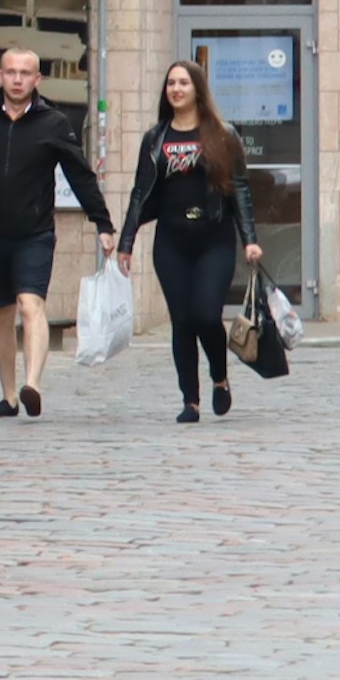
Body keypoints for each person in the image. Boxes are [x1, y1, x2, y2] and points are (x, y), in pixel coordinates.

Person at [0, 45, 119, 422]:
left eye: (25, 73)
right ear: (0, 76)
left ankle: (33, 384)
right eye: (10, 72)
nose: (17, 79)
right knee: (1, 314)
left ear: (37, 79)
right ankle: (9, 396)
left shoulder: (54, 123)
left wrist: (103, 223)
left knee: (31, 306)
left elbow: (80, 176)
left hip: (35, 234)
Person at [115, 57, 263, 424]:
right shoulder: (156, 138)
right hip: (171, 242)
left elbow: (239, 189)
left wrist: (250, 240)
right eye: (171, 84)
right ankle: (190, 400)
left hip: (214, 239)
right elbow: (139, 191)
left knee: (205, 315)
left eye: (183, 83)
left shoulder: (223, 134)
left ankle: (219, 376)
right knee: (181, 320)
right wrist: (126, 241)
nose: (176, 89)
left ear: (197, 89)